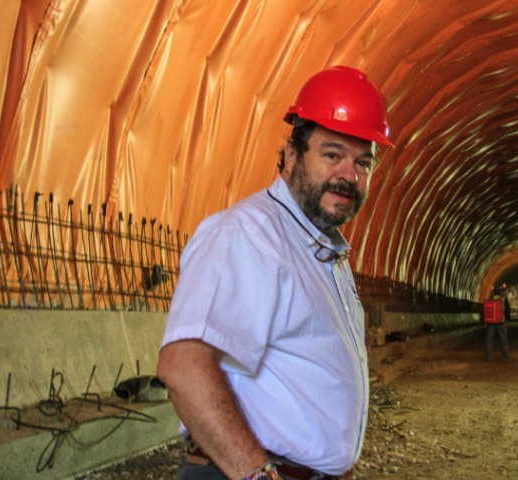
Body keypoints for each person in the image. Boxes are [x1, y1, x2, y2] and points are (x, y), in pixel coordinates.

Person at [157, 65, 392, 480]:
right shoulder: (250, 235)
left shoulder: (320, 250)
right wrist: (257, 475)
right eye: (332, 155)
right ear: (291, 155)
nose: (349, 175)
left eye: (363, 162)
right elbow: (184, 366)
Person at [483, 284, 510, 361]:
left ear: (493, 292)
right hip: (501, 323)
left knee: (489, 340)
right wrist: (507, 319)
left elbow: (484, 311)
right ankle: (504, 357)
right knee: (503, 340)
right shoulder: (503, 300)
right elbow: (507, 310)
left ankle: (489, 357)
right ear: (500, 292)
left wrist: (483, 321)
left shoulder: (489, 300)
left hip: (490, 323)